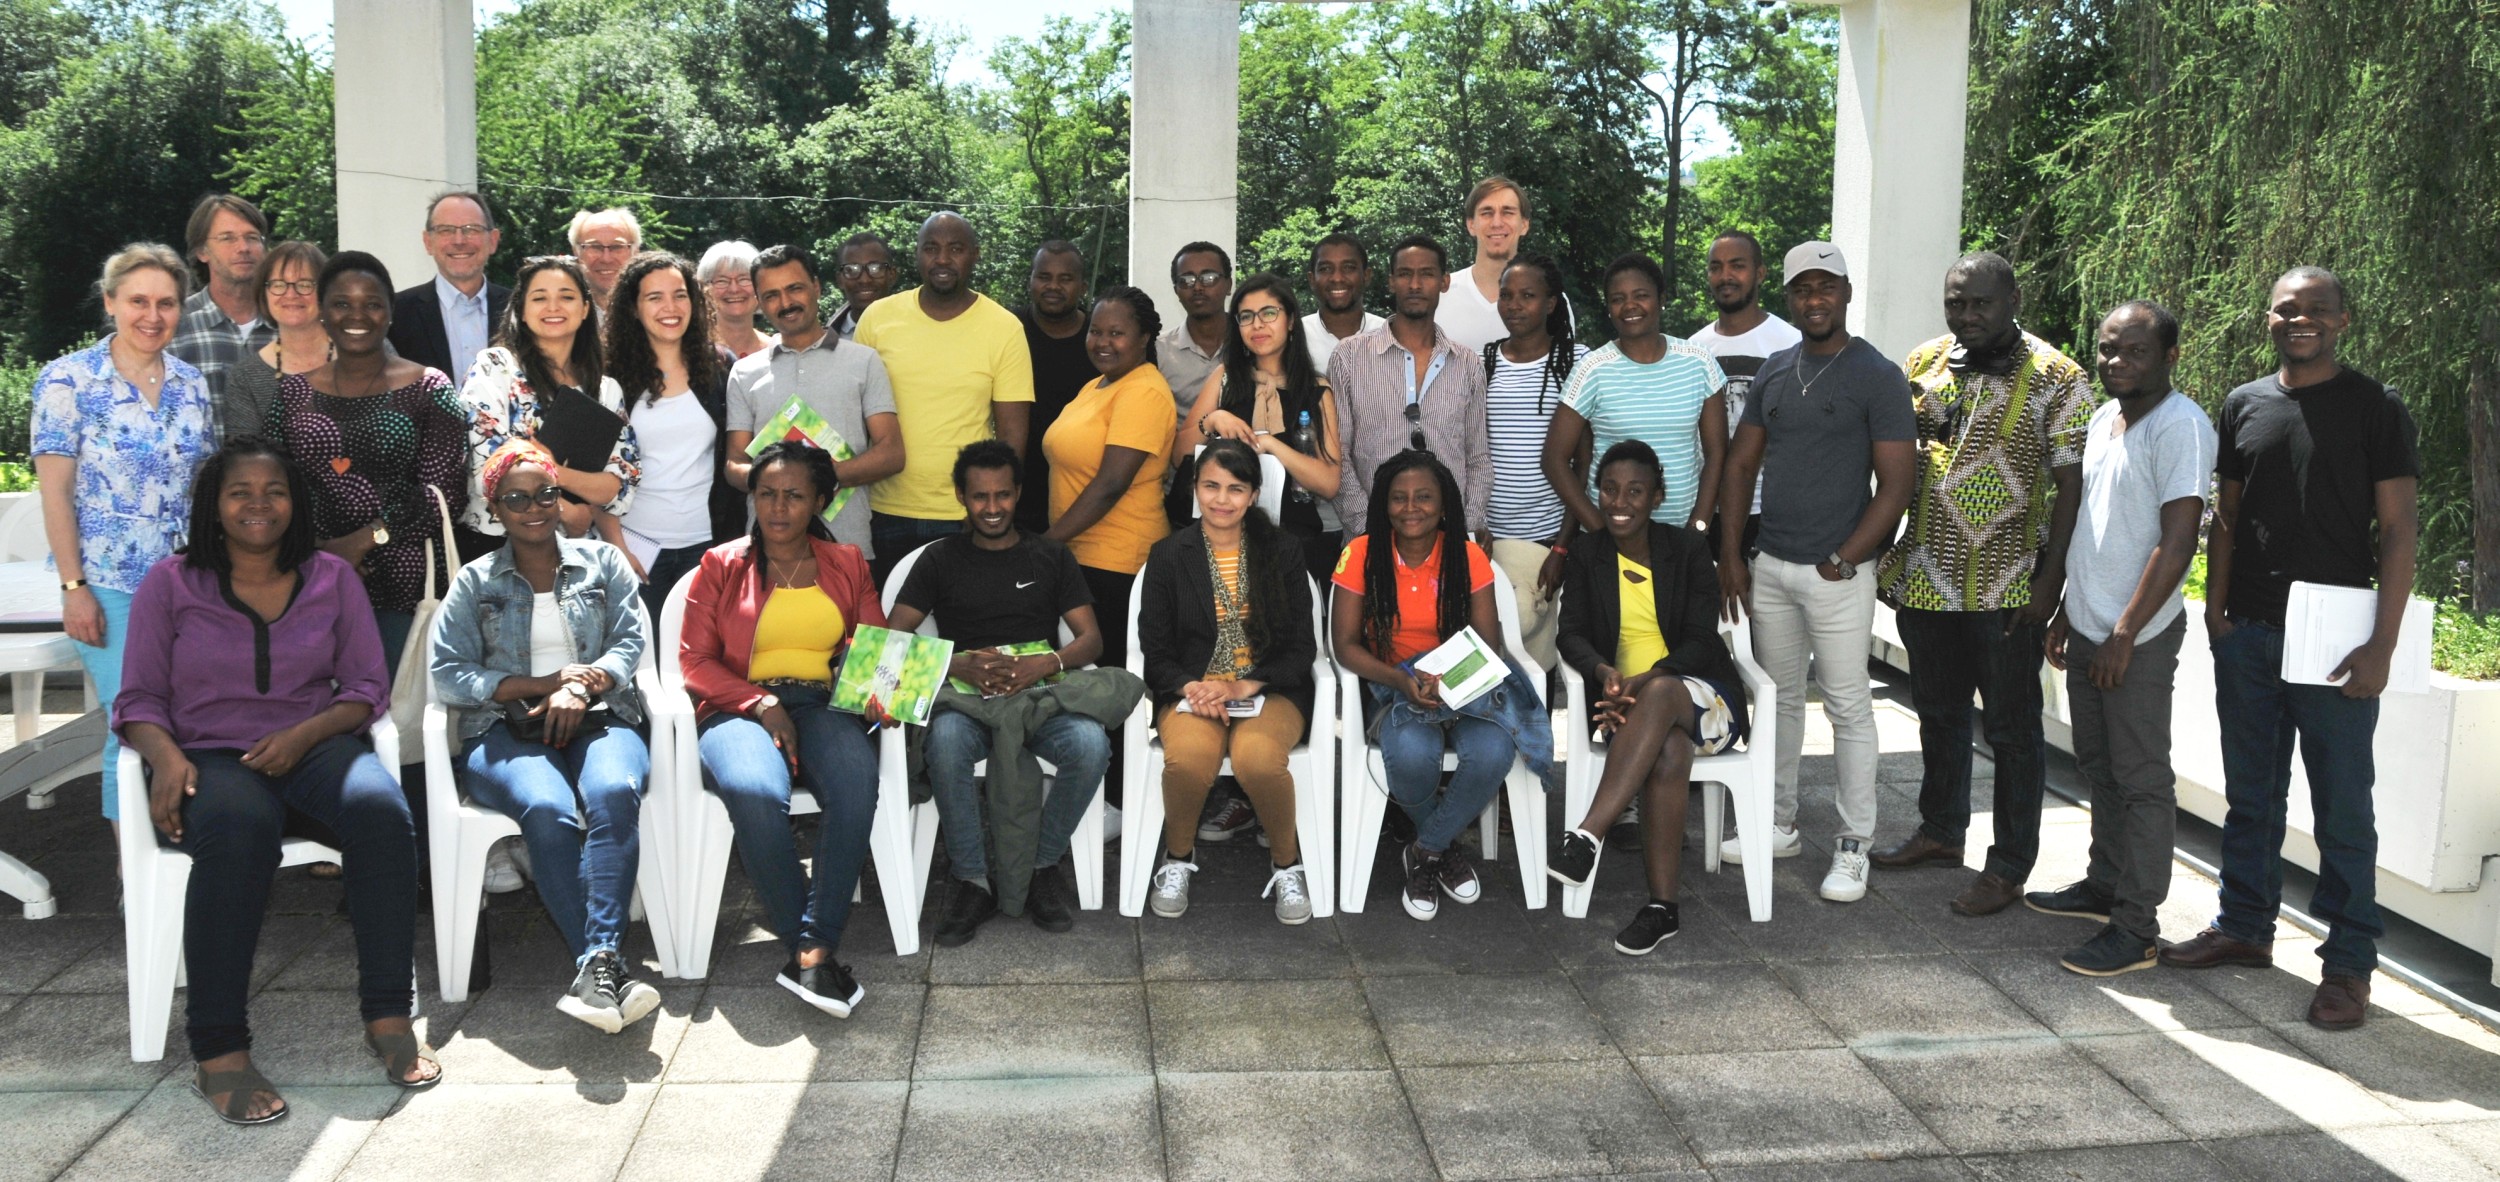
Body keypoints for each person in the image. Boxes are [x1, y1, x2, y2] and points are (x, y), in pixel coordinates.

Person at [117, 439, 435, 1123]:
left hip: (313, 743)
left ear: (296, 504)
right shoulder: (169, 583)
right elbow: (137, 700)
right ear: (214, 504)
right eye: (240, 492)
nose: (258, 505)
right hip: (211, 757)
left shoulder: (331, 577)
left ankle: (387, 1015)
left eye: (275, 491)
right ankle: (219, 1051)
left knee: (383, 812)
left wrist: (306, 735)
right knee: (239, 831)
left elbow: (364, 689)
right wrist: (167, 760)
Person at [2164, 267, 2419, 1032]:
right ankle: (2244, 926)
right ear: (2268, 320)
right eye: (2286, 310)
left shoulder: (2376, 409)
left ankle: (2348, 966)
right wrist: (2217, 612)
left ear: (2342, 320)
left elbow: (2399, 530)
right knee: (2252, 795)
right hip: (2250, 635)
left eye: (2315, 310)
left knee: (2343, 809)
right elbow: (2228, 518)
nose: (2299, 319)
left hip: (2338, 641)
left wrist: (2382, 644)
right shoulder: (2245, 403)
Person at [1870, 253, 2096, 916]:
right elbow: (1902, 462)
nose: (1967, 315)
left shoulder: (2060, 376)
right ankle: (1941, 832)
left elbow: (2072, 485)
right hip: (1927, 578)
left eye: (1981, 304)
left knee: (2012, 728)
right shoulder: (1921, 364)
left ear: (2013, 299)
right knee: (1936, 713)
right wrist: (1890, 555)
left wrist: (2051, 582)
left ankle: (2008, 865)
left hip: (2008, 585)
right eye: (1956, 303)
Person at [430, 441, 659, 1032]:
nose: (533, 508)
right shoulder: (474, 581)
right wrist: (539, 683)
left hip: (602, 714)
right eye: (516, 499)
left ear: (560, 499)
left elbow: (630, 641)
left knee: (612, 792)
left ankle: (597, 963)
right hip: (505, 731)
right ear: (495, 509)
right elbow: (449, 674)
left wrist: (583, 686)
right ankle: (603, 962)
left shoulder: (602, 562)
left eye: (546, 494)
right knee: (548, 806)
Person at [1714, 242, 1915, 904]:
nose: (1814, 299)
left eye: (1826, 287)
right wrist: (1734, 555)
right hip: (1770, 564)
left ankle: (1854, 845)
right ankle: (1779, 822)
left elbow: (1896, 484)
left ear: (1847, 294)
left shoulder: (1877, 375)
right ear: (1792, 297)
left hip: (1837, 573)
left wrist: (1848, 555)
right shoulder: (1775, 370)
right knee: (1776, 701)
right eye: (1803, 289)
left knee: (1849, 704)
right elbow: (1740, 466)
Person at [2034, 300, 2214, 976]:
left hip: (2133, 637)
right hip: (2088, 626)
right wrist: (2066, 613)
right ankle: (2104, 885)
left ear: (2169, 357)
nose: (2117, 362)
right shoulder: (2105, 420)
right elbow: (2094, 528)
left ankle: (2136, 927)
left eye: (2134, 351)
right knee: (2098, 767)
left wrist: (2124, 632)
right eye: (2108, 349)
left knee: (2141, 781)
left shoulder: (2182, 428)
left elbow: (2177, 544)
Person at [680, 442, 889, 1016]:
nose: (777, 508)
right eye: (766, 494)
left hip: (821, 704)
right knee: (754, 792)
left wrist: (879, 690)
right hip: (736, 706)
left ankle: (812, 947)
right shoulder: (722, 566)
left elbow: (874, 649)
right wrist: (760, 702)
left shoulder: (846, 562)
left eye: (794, 496)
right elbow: (695, 663)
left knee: (853, 784)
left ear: (821, 500)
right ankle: (812, 950)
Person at [885, 442, 1120, 946]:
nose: (992, 508)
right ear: (961, 498)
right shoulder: (939, 559)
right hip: (964, 697)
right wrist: (956, 661)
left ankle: (1042, 866)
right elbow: (894, 640)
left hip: (1038, 693)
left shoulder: (1051, 556)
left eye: (1003, 496)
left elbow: (1091, 639)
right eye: (979, 497)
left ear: (1018, 495)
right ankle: (971, 879)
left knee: (1090, 745)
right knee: (944, 744)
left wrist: (1046, 662)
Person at [32, 243, 217, 830]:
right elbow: (55, 493)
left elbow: (203, 490)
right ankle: (133, 878)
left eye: (166, 303)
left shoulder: (192, 384)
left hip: (186, 583)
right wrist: (73, 586)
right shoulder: (68, 381)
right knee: (134, 720)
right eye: (138, 300)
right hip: (107, 582)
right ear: (111, 302)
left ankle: (181, 849)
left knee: (187, 716)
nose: (152, 315)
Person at [1546, 441, 1750, 954]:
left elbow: (1703, 639)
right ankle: (1664, 908)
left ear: (1656, 497)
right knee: (1668, 752)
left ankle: (1588, 834)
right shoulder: (1589, 554)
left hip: (1702, 697)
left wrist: (1647, 680)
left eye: (1635, 491)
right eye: (1610, 489)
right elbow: (1569, 633)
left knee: (1660, 693)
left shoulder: (1684, 550)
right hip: (1626, 707)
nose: (1620, 501)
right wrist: (1605, 673)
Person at [1331, 450, 1551, 921]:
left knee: (1493, 752)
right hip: (1392, 686)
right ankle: (1444, 849)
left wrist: (1448, 682)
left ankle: (1426, 850)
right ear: (1384, 505)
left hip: (1462, 683)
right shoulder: (1361, 554)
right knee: (1411, 756)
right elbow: (1345, 646)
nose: (1411, 507)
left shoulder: (1467, 555)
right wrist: (1402, 678)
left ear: (1445, 503)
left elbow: (1489, 644)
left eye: (1424, 497)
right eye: (1399, 498)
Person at [1137, 441, 1318, 923]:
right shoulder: (1169, 554)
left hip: (1270, 689)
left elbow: (1302, 649)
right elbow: (1154, 651)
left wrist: (1247, 685)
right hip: (1194, 690)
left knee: (1258, 759)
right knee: (1189, 759)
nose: (1222, 499)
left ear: (1254, 494)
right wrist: (1191, 687)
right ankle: (1177, 858)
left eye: (1235, 488)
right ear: (1194, 489)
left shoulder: (1281, 551)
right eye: (1211, 486)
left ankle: (1287, 864)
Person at [264, 250, 468, 676]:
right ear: (322, 312)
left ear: (390, 313)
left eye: (372, 304)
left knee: (393, 719)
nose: (357, 315)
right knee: (319, 716)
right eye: (342, 303)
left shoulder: (429, 388)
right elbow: (275, 486)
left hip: (405, 588)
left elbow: (443, 496)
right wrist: (321, 552)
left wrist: (360, 541)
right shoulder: (292, 395)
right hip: (309, 583)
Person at [854, 212, 1034, 581]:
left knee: (963, 635)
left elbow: (1012, 438)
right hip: (882, 511)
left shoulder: (1004, 328)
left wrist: (987, 510)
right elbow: (853, 416)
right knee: (888, 634)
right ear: (916, 255)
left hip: (964, 518)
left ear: (975, 255)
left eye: (956, 249)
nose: (942, 259)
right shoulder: (877, 318)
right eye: (931, 248)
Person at [453, 255, 639, 561]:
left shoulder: (606, 389)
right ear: (521, 311)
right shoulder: (496, 368)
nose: (553, 307)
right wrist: (565, 510)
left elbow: (618, 485)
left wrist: (554, 469)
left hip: (576, 554)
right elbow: (490, 467)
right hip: (497, 548)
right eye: (540, 298)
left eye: (566, 297)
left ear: (585, 309)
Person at [724, 244, 903, 562]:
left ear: (817, 287)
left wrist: (823, 479)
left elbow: (891, 454)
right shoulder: (744, 372)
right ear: (760, 303)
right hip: (769, 550)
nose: (786, 303)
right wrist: (780, 484)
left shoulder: (863, 361)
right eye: (772, 295)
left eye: (795, 289)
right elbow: (733, 464)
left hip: (848, 546)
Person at [1177, 274, 1345, 591]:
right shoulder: (1225, 377)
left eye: (1269, 313)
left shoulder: (1315, 389)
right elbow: (1177, 456)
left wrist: (1269, 443)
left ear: (1291, 321)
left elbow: (1329, 482)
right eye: (1246, 317)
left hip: (1292, 545)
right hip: (1220, 541)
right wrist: (1211, 420)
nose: (1258, 325)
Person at [1546, 254, 1727, 538]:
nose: (1629, 306)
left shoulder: (1699, 361)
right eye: (1618, 299)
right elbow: (1554, 459)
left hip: (1681, 538)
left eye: (1641, 295)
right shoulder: (1592, 369)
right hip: (1611, 538)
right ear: (1608, 308)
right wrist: (1599, 533)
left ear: (1661, 298)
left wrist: (1699, 526)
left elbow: (1717, 453)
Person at [1043, 286, 1176, 674]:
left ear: (1143, 339)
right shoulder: (1097, 385)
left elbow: (1110, 485)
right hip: (1081, 558)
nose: (1102, 342)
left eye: (1116, 333)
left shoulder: (1144, 392)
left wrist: (1046, 544)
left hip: (1117, 563)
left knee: (1109, 688)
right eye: (1095, 331)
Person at [607, 251, 747, 618]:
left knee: (702, 662)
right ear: (634, 309)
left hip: (708, 545)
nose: (670, 307)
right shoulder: (610, 376)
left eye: (679, 294)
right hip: (637, 547)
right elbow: (597, 468)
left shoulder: (720, 365)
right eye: (654, 297)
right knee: (645, 663)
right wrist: (615, 543)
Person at [1328, 235, 1493, 541]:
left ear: (1444, 282)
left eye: (1427, 274)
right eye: (1405, 274)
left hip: (1448, 540)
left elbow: (1478, 457)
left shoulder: (1467, 363)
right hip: (1368, 538)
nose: (1415, 285)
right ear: (1391, 281)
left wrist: (1466, 526)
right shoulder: (1349, 357)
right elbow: (1338, 453)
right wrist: (1368, 527)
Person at [1482, 253, 1586, 672]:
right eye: (1506, 295)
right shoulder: (1482, 362)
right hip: (1490, 538)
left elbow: (1583, 460)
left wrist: (1562, 544)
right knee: (1498, 650)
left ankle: (1538, 738)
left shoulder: (1577, 361)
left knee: (1539, 655)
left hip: (1550, 537)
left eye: (1527, 295)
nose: (1514, 305)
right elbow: (1473, 451)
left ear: (1550, 303)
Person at [1691, 230, 1802, 560]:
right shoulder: (1694, 348)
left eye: (1737, 265)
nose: (1725, 276)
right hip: (1707, 510)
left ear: (1760, 273)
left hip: (1772, 512)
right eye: (1716, 267)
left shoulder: (1791, 343)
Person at [168, 194, 275, 435]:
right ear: (202, 252)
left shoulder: (288, 325)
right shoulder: (173, 326)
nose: (243, 248)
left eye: (252, 238)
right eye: (227, 238)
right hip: (202, 472)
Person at [1436, 177, 1570, 352]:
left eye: (1507, 212)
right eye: (1486, 213)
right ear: (1471, 225)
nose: (1497, 223)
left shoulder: (1550, 301)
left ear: (1524, 224)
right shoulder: (1439, 297)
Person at [1014, 240, 1094, 533]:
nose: (1053, 287)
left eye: (1066, 279)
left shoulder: (1100, 341)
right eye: (1044, 277)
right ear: (1031, 281)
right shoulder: (1008, 329)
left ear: (1083, 287)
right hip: (1018, 493)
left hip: (1086, 493)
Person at [389, 190, 509, 382]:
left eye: (471, 229)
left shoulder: (520, 310)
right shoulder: (395, 314)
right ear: (428, 242)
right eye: (446, 230)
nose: (459, 240)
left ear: (493, 241)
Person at [222, 240, 329, 442]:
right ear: (264, 293)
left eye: (305, 284)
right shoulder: (246, 377)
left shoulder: (366, 353)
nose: (291, 294)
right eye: (278, 284)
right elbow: (244, 461)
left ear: (325, 292)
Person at [1159, 242, 1233, 419]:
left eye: (1209, 278)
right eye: (1186, 280)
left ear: (1228, 285)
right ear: (1176, 291)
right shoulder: (1158, 352)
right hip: (1182, 446)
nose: (1198, 287)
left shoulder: (1251, 342)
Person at [1303, 233, 1384, 374]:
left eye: (1348, 267)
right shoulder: (1295, 336)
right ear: (1312, 279)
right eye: (1325, 269)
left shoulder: (1389, 334)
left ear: (1366, 275)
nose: (1337, 278)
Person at [695, 239, 777, 360]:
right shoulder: (694, 351)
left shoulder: (776, 352)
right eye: (722, 281)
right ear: (705, 288)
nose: (734, 289)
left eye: (744, 279)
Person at [827, 231, 899, 339]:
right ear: (840, 280)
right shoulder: (828, 343)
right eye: (852, 270)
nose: (864, 280)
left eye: (875, 268)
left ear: (892, 275)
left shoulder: (914, 329)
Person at [568, 207, 643, 308]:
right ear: (577, 253)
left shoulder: (653, 314)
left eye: (617, 247)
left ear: (635, 252)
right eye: (595, 247)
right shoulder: (561, 314)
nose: (606, 259)